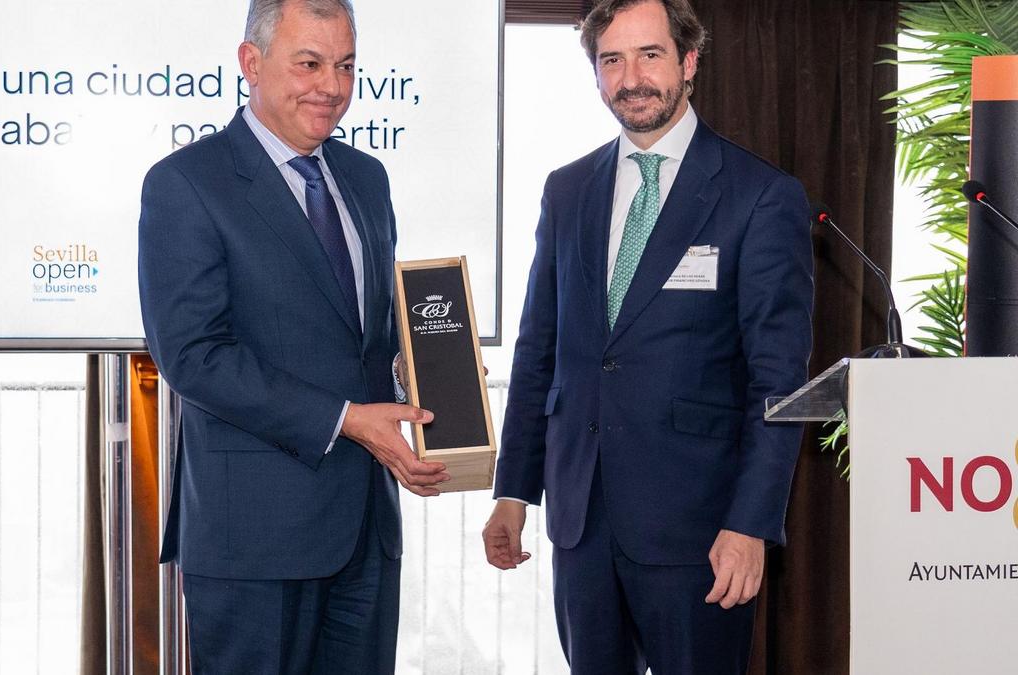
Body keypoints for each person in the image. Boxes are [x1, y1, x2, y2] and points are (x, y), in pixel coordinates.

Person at [482, 0, 814, 672]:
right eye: (612, 60)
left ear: (689, 62)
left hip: (702, 531)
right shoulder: (567, 190)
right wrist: (513, 490)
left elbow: (779, 382)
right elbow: (539, 350)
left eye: (650, 55)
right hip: (582, 525)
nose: (631, 78)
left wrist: (751, 522)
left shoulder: (759, 195)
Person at [138, 1, 449, 672]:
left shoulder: (366, 178)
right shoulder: (186, 184)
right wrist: (347, 419)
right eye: (309, 63)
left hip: (366, 529)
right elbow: (194, 356)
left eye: (346, 66)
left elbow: (369, 333)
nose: (331, 86)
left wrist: (429, 372)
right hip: (255, 538)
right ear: (251, 63)